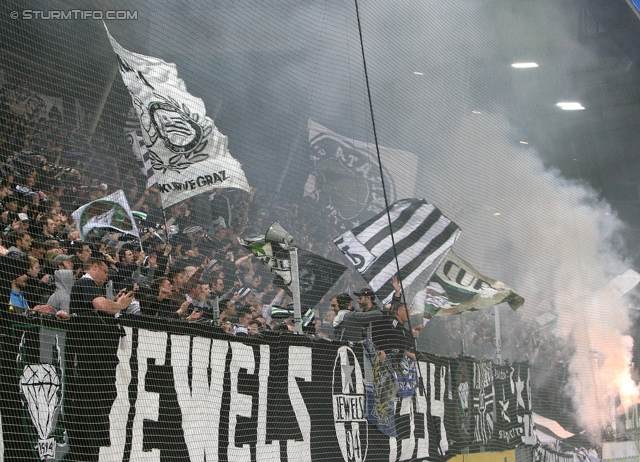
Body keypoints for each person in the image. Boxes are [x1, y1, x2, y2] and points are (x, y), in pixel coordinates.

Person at [66, 257, 134, 462]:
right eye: (105, 272)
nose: (106, 277)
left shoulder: (91, 288)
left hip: (99, 364)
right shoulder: (84, 284)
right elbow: (102, 305)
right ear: (94, 267)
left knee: (100, 408)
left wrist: (115, 302)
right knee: (91, 415)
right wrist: (118, 305)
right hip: (90, 363)